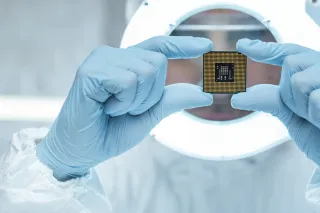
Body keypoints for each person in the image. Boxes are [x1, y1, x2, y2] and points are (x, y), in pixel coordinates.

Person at [0, 35, 319, 212]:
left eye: (247, 36)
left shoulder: (310, 171)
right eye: (191, 41)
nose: (217, 74)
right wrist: (60, 168)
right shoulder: (109, 172)